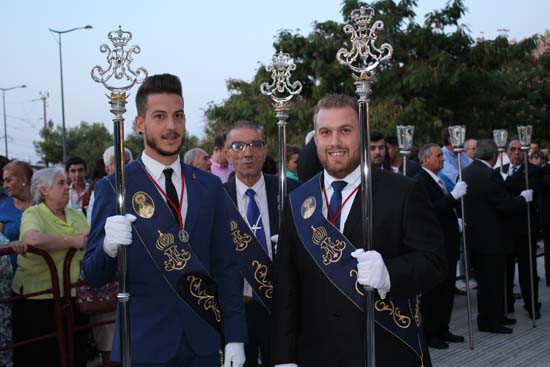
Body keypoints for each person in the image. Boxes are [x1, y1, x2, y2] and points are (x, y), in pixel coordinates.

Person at [83, 74, 246, 367]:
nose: (171, 126)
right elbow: (93, 274)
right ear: (140, 124)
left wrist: (235, 336)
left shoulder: (208, 186)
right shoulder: (114, 187)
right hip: (144, 344)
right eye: (159, 116)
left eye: (178, 116)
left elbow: (227, 267)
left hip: (204, 340)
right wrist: (108, 247)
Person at [271, 94, 446, 367]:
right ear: (315, 138)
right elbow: (286, 286)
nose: (335, 142)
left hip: (385, 347)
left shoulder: (403, 191)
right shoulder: (298, 200)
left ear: (362, 134)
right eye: (325, 132)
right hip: (317, 354)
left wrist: (390, 273)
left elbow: (434, 261)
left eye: (345, 130)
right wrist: (283, 358)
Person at [223, 121, 299, 367]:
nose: (248, 152)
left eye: (256, 144)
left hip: (281, 309)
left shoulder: (291, 191)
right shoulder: (215, 198)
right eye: (238, 146)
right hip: (236, 308)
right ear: (227, 153)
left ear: (265, 151)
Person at [12, 167, 89, 366]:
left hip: (72, 296)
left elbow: (90, 239)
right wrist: (70, 241)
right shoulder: (33, 213)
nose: (68, 187)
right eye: (61, 183)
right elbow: (33, 238)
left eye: (66, 183)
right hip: (38, 298)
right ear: (44, 190)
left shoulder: (76, 214)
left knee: (75, 353)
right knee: (43, 357)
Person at [462, 139, 530, 333]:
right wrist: (522, 198)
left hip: (475, 236)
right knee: (492, 282)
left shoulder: (466, 171)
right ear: (494, 156)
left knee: (487, 282)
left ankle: (496, 316)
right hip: (492, 238)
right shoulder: (490, 175)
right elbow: (504, 205)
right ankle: (490, 321)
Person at [415, 144, 466, 349]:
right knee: (433, 292)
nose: (442, 159)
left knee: (446, 289)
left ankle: (443, 328)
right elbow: (430, 213)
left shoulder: (437, 179)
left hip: (449, 243)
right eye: (438, 156)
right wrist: (453, 197)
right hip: (436, 245)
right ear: (425, 160)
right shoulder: (420, 181)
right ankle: (430, 333)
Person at [501, 139, 543, 319]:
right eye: (513, 149)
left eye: (520, 149)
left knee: (528, 269)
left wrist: (506, 181)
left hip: (526, 227)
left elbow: (527, 189)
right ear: (508, 151)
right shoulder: (500, 171)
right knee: (507, 268)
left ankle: (532, 305)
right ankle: (506, 303)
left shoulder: (533, 171)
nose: (517, 152)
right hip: (506, 227)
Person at [0, 161, 34, 268]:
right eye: (4, 181)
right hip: (12, 276)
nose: (5, 186)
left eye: (8, 180)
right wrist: (8, 245)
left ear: (24, 180)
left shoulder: (45, 205)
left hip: (43, 274)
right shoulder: (4, 208)